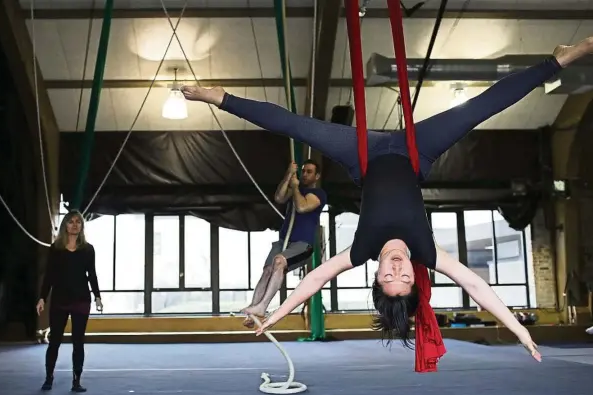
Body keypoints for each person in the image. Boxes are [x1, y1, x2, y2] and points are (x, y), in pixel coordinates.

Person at [183, 37, 593, 362]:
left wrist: (275, 314)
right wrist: (520, 329)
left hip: (362, 156)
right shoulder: (425, 250)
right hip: (417, 152)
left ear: (375, 277)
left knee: (298, 127)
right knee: (477, 110)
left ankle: (223, 97)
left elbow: (312, 280)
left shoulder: (361, 250)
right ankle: (555, 62)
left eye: (387, 278)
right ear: (417, 276)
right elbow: (475, 284)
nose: (397, 269)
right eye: (406, 278)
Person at [241, 160, 327, 327]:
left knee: (279, 262)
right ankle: (253, 311)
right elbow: (279, 197)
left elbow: (302, 207)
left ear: (317, 176)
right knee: (267, 270)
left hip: (302, 245)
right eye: (303, 171)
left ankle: (262, 307)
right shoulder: (296, 190)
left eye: (309, 172)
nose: (305, 174)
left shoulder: (318, 194)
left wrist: (295, 187)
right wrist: (289, 174)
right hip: (284, 242)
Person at [36, 210, 103, 392]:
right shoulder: (55, 249)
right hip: (60, 299)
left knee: (78, 341)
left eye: (78, 222)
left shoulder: (88, 250)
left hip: (81, 299)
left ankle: (76, 380)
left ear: (82, 226)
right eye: (71, 221)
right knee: (55, 340)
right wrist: (42, 297)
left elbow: (92, 275)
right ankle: (49, 377)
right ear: (65, 224)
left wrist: (97, 296)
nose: (75, 225)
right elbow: (48, 275)